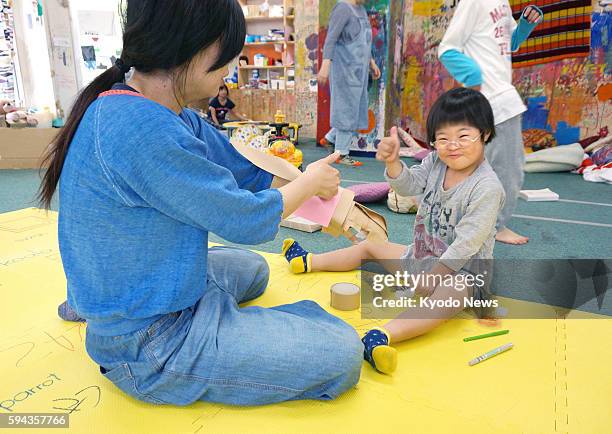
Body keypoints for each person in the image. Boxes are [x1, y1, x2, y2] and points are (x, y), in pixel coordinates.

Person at [39, 0, 363, 407]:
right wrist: (309, 184)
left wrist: (301, 182)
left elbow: (233, 163)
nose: (229, 68)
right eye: (224, 56)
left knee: (253, 270)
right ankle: (178, 329)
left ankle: (114, 302)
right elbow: (245, 221)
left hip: (134, 283)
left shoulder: (150, 104)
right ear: (191, 47)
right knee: (341, 353)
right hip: (148, 345)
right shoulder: (144, 129)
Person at [281, 88, 505, 375]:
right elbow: (409, 186)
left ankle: (382, 335)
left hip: (463, 275)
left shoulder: (486, 187)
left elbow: (467, 244)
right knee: (371, 245)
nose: (452, 146)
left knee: (449, 293)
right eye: (442, 138)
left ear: (485, 134)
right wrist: (393, 163)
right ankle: (308, 261)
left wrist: (435, 275)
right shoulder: (436, 162)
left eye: (463, 136)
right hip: (422, 258)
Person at [438, 1, 543, 245]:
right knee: (508, 169)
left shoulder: (502, 3)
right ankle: (493, 227)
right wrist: (474, 78)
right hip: (495, 99)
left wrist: (526, 25)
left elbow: (511, 43)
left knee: (479, 167)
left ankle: (461, 219)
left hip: (498, 98)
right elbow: (447, 49)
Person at [318, 0, 381, 167]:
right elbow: (331, 39)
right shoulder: (342, 9)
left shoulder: (360, 9)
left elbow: (365, 43)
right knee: (346, 110)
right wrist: (325, 65)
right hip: (344, 69)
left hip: (358, 72)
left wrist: (371, 63)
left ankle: (330, 138)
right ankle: (341, 154)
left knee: (356, 111)